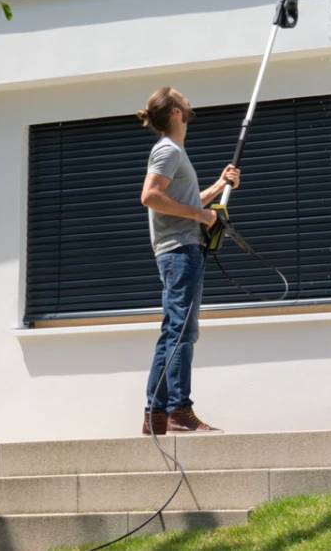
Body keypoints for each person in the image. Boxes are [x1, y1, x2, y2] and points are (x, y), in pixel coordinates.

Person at [136, 86, 239, 435]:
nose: (188, 98)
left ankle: (156, 416)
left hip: (180, 249)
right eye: (182, 96)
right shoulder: (167, 150)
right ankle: (180, 410)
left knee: (173, 332)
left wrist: (219, 186)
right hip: (180, 251)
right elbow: (150, 196)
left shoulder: (176, 151)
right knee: (182, 332)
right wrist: (200, 215)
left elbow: (186, 200)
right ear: (176, 111)